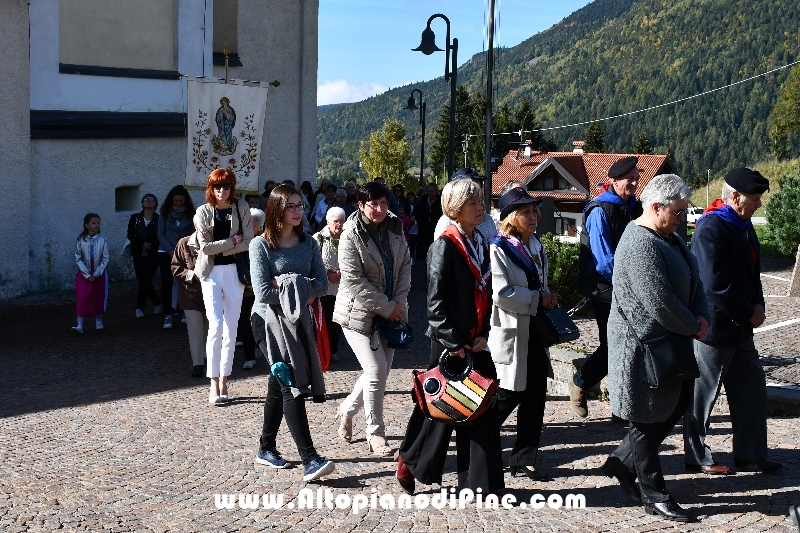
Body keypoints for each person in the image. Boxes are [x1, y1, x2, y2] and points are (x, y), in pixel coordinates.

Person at [603, 174, 709, 522]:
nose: (683, 219)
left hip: (667, 343)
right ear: (655, 207)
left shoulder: (670, 237)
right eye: (678, 212)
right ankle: (655, 495)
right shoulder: (638, 243)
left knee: (674, 405)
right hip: (642, 348)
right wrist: (693, 324)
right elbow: (658, 301)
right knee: (646, 418)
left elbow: (695, 281)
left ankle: (622, 463)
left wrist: (701, 314)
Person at [396, 178, 504, 495]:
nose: (480, 207)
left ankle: (481, 484)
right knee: (441, 408)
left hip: (475, 339)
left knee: (482, 404)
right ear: (456, 210)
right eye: (473, 203)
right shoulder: (443, 246)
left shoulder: (480, 243)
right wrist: (454, 342)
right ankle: (410, 461)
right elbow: (435, 303)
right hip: (449, 342)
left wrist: (483, 334)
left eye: (481, 202)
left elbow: (486, 293)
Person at [683, 168, 782, 474]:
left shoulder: (742, 223)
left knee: (751, 388)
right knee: (703, 395)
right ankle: (696, 457)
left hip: (741, 330)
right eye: (755, 199)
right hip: (715, 328)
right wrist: (747, 311)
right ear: (736, 197)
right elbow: (714, 285)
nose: (759, 205)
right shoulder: (711, 228)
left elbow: (753, 274)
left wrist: (758, 304)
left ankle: (749, 454)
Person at [249, 184, 335, 481]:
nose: (298, 211)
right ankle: (310, 459)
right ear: (277, 210)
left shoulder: (309, 243)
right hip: (268, 322)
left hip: (298, 322)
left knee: (278, 382)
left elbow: (323, 285)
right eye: (292, 206)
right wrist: (301, 286)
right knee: (290, 382)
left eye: (300, 205)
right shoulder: (259, 246)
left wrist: (285, 283)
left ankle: (265, 448)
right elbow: (262, 292)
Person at [334, 182, 411, 456]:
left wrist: (399, 302)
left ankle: (347, 409)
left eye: (383, 203)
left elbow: (405, 265)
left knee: (379, 373)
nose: (379, 209)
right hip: (357, 314)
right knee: (377, 371)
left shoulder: (394, 225)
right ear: (361, 205)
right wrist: (387, 307)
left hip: (390, 312)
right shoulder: (350, 234)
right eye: (373, 204)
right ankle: (376, 434)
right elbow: (353, 280)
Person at [488, 187, 557, 482]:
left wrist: (546, 295)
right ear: (511, 217)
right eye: (526, 212)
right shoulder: (499, 248)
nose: (533, 216)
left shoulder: (536, 246)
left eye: (534, 211)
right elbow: (501, 294)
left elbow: (538, 283)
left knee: (535, 396)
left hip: (535, 332)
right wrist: (536, 298)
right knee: (508, 393)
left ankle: (525, 459)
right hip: (513, 330)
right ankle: (479, 440)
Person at [571, 156, 642, 418]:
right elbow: (604, 261)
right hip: (606, 290)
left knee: (631, 346)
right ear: (613, 181)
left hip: (631, 288)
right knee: (614, 346)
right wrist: (630, 284)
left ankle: (622, 405)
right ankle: (581, 382)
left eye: (636, 177)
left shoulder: (635, 207)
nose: (634, 182)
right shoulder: (600, 211)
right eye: (629, 178)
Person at [190, 168, 253, 405]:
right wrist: (230, 241)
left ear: (232, 188)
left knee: (231, 328)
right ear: (210, 188)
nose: (222, 191)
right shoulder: (204, 212)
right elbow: (205, 248)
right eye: (217, 186)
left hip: (234, 273)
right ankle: (213, 381)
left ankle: (225, 378)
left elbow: (247, 242)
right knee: (215, 326)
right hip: (211, 273)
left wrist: (222, 245)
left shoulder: (241, 208)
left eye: (226, 186)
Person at [157, 185, 196, 329]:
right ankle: (168, 313)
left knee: (185, 281)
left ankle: (185, 310)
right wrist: (170, 251)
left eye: (181, 201)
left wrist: (183, 251)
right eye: (176, 201)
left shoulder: (191, 213)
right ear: (171, 201)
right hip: (166, 251)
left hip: (185, 252)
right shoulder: (165, 212)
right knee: (167, 282)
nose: (178, 204)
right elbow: (160, 233)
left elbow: (193, 234)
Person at [171, 231, 208, 377]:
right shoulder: (184, 243)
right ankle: (197, 363)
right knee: (195, 329)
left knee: (210, 328)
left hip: (211, 294)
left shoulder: (216, 242)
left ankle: (208, 358)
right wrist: (192, 275)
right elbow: (175, 267)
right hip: (190, 295)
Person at [314, 207, 346, 363]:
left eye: (341, 221)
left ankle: (333, 350)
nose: (339, 225)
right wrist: (327, 272)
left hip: (341, 290)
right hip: (323, 290)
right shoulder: (318, 239)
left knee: (337, 322)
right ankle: (321, 351)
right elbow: (312, 263)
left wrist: (343, 272)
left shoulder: (348, 239)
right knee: (323, 322)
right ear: (328, 222)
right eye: (336, 221)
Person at [433, 168, 497, 240]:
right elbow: (440, 248)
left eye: (479, 186)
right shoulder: (446, 222)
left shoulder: (487, 219)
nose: (478, 189)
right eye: (472, 202)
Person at [72, 213, 109, 334]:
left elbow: (105, 258)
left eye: (98, 223)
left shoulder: (103, 240)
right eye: (94, 223)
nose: (97, 225)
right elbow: (78, 257)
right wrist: (87, 274)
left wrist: (97, 273)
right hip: (84, 274)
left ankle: (99, 320)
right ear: (87, 225)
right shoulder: (81, 240)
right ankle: (79, 324)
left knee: (98, 296)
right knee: (82, 297)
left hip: (99, 273)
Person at [127, 193, 163, 318]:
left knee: (145, 279)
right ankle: (157, 303)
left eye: (151, 199)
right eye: (146, 199)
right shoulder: (135, 218)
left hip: (153, 254)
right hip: (138, 253)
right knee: (142, 279)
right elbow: (130, 234)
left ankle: (139, 308)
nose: (148, 201)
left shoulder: (159, 220)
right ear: (142, 203)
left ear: (155, 204)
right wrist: (141, 244)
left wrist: (150, 245)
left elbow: (161, 235)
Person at [239, 208, 265, 370]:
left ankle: (259, 346)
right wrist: (246, 281)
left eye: (252, 225)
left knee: (260, 323)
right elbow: (239, 264)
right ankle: (249, 356)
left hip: (261, 290)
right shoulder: (241, 243)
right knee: (245, 324)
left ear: (260, 227)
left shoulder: (265, 242)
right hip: (244, 289)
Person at [414, 182, 442, 260]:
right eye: (428, 191)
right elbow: (416, 212)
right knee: (425, 256)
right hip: (423, 231)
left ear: (436, 191)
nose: (430, 193)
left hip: (436, 231)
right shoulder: (422, 201)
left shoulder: (441, 201)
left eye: (432, 192)